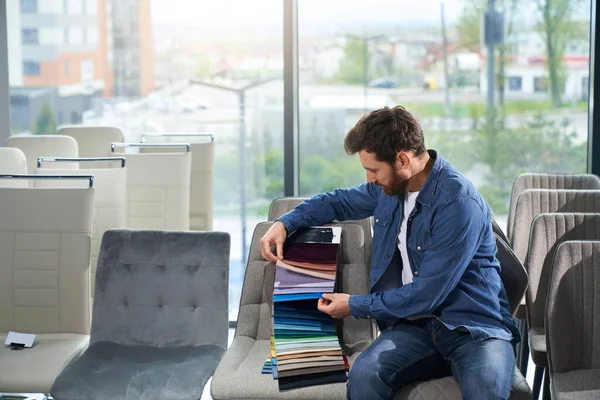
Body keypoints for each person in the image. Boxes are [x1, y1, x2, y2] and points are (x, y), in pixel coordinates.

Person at [260, 105, 518, 400]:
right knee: (365, 377)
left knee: (485, 390)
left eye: (374, 170)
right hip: (416, 327)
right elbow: (337, 202)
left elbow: (426, 294)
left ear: (403, 159)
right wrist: (284, 223)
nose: (370, 179)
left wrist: (354, 305)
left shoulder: (458, 203)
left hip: (474, 329)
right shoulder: (391, 189)